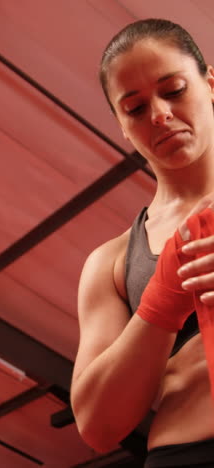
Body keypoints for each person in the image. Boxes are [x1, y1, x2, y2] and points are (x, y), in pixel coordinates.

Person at [70, 18, 214, 467]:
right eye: (134, 108)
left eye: (173, 90)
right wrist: (162, 300)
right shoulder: (110, 262)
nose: (159, 114)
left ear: (211, 83)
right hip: (185, 455)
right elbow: (97, 426)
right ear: (121, 126)